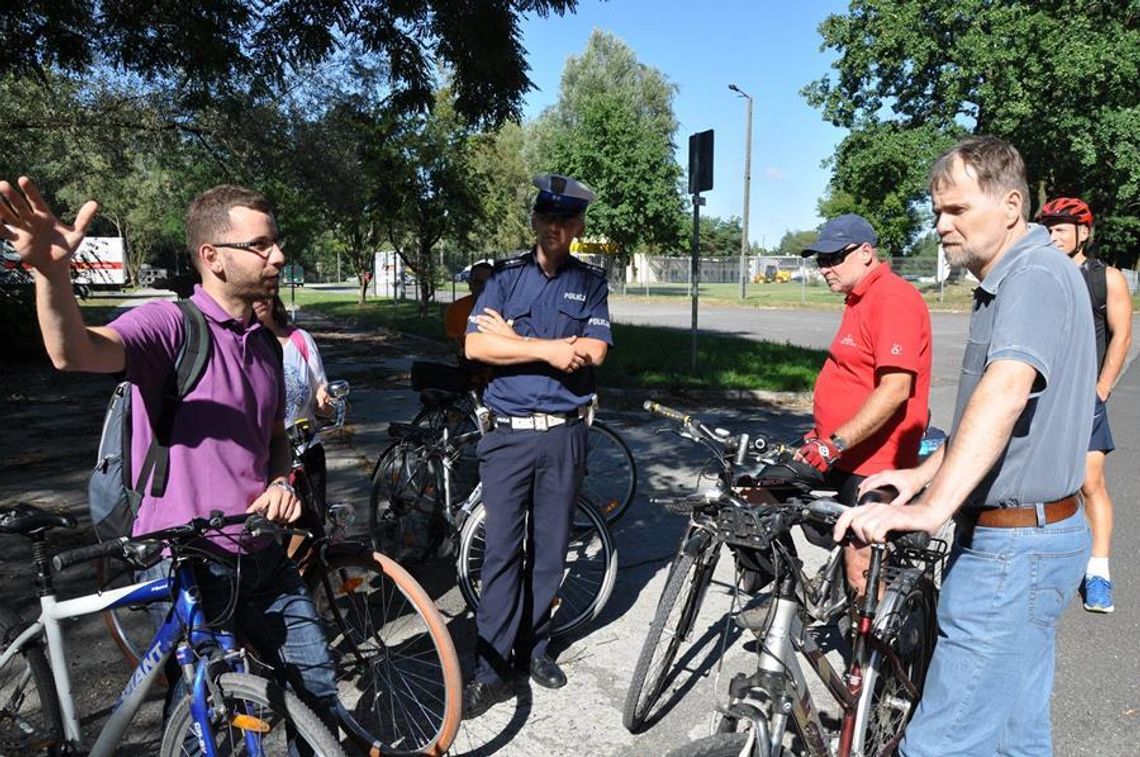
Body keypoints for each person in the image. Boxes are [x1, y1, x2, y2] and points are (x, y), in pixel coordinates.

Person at [0, 178, 339, 732]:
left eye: (275, 242)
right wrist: (52, 273)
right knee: (207, 711)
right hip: (184, 557)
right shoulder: (172, 326)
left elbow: (275, 438)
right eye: (260, 245)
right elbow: (74, 352)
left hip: (259, 551)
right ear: (213, 258)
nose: (278, 255)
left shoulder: (264, 343)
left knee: (316, 688)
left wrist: (281, 484)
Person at [837, 136, 1094, 756]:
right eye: (936, 212)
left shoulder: (1031, 276)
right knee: (1014, 735)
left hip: (1012, 552)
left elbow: (1006, 394)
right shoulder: (1015, 276)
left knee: (939, 745)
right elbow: (1003, 422)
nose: (940, 225)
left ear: (1010, 205)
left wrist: (930, 510)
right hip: (1031, 540)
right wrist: (924, 475)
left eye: (956, 210)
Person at [460, 173, 612, 718]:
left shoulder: (591, 283)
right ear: (536, 222)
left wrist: (516, 342)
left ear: (578, 227)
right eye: (549, 218)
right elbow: (477, 345)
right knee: (501, 554)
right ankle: (491, 668)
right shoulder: (503, 278)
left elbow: (594, 350)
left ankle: (537, 648)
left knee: (550, 553)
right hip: (509, 438)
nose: (557, 228)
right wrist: (548, 351)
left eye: (568, 220)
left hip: (566, 435)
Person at [794, 214, 932, 600]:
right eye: (820, 260)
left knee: (861, 569)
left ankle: (872, 655)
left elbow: (895, 390)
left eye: (834, 257)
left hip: (875, 460)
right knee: (752, 490)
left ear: (866, 253)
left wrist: (832, 443)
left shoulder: (892, 298)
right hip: (837, 452)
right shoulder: (858, 297)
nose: (825, 268)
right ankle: (782, 586)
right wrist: (823, 438)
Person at [1037, 197, 1131, 613]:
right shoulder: (1038, 275)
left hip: (1085, 398)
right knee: (1042, 485)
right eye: (1048, 228)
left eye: (1061, 228)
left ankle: (1098, 572)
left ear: (1084, 233)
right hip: (1040, 399)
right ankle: (1050, 563)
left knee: (1090, 482)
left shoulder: (1105, 278)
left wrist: (1102, 389)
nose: (1053, 235)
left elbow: (1122, 336)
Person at [254, 295, 333, 512]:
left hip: (306, 453)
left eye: (264, 292)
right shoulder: (237, 347)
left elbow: (321, 394)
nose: (259, 299)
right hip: (258, 463)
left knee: (310, 536)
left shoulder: (300, 339)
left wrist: (326, 402)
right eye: (251, 293)